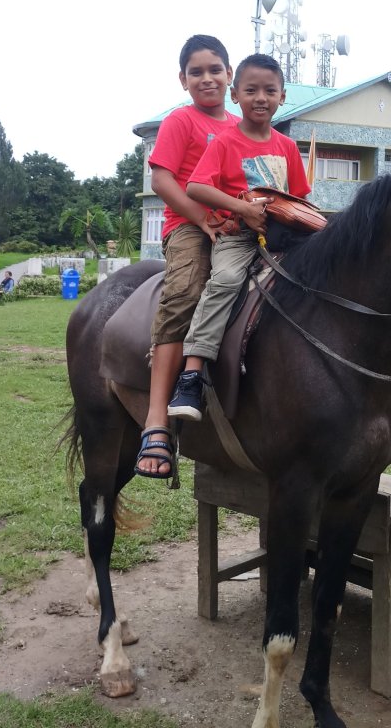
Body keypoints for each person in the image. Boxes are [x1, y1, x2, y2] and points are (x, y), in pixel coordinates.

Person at [170, 53, 311, 418]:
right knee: (226, 280)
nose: (260, 98)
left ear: (282, 97)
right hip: (237, 238)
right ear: (236, 95)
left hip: (284, 238)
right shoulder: (225, 142)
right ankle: (192, 374)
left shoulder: (287, 146)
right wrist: (242, 209)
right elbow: (197, 186)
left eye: (269, 90)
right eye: (251, 90)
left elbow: (301, 197)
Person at [135, 34, 240, 479]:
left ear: (229, 75)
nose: (207, 78)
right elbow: (162, 182)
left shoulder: (242, 126)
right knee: (186, 290)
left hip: (239, 226)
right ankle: (157, 418)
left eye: (215, 69)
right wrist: (201, 218)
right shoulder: (182, 121)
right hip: (190, 227)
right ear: (183, 79)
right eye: (196, 72)